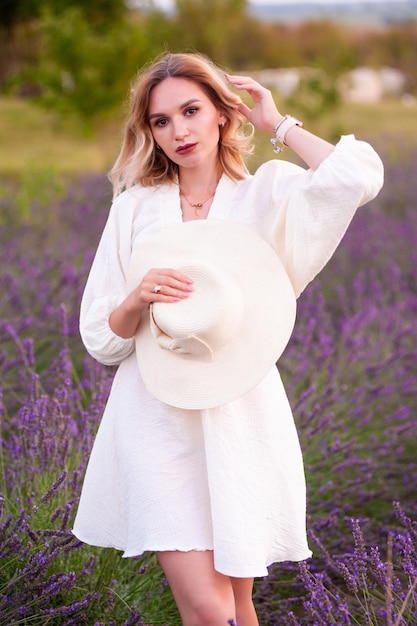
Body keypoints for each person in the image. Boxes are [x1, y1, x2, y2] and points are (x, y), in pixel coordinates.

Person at [72, 51, 383, 626]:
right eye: (160, 121)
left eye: (191, 110)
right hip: (155, 416)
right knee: (208, 608)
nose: (178, 131)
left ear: (222, 112)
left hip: (241, 412)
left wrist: (276, 123)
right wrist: (137, 298)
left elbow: (357, 177)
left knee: (238, 606)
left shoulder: (267, 192)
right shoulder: (136, 207)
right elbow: (102, 338)